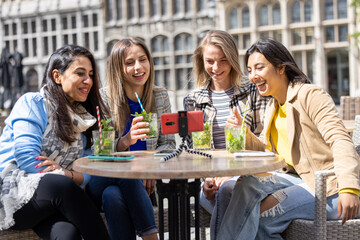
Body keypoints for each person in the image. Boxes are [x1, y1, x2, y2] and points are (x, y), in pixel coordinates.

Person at [214, 38, 360, 240]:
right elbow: (268, 153)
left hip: (327, 186)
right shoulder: (273, 106)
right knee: (235, 187)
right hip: (295, 177)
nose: (253, 76)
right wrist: (243, 132)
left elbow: (340, 139)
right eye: (249, 69)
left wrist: (349, 187)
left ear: (281, 68)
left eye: (259, 67)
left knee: (262, 217)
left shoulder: (310, 95)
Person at [0, 45, 110, 240]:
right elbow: (27, 160)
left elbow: (88, 169)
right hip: (13, 193)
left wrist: (68, 174)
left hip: (52, 200)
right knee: (61, 185)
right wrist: (65, 176)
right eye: (80, 73)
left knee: (68, 234)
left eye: (91, 74)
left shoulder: (83, 118)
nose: (89, 81)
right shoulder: (33, 103)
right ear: (57, 76)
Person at [86, 37, 176, 240]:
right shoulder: (104, 100)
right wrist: (125, 141)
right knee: (127, 175)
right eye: (130, 62)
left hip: (138, 187)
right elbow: (98, 152)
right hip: (103, 179)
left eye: (143, 59)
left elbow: (169, 144)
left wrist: (150, 168)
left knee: (113, 196)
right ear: (118, 68)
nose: (138, 67)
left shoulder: (159, 97)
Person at [183, 29, 269, 234]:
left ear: (232, 59)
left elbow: (264, 144)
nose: (216, 67)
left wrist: (233, 174)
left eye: (223, 60)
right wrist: (207, 180)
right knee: (230, 201)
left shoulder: (253, 92)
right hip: (210, 181)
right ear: (201, 61)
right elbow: (191, 150)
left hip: (247, 178)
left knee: (229, 191)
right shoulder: (193, 100)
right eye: (210, 61)